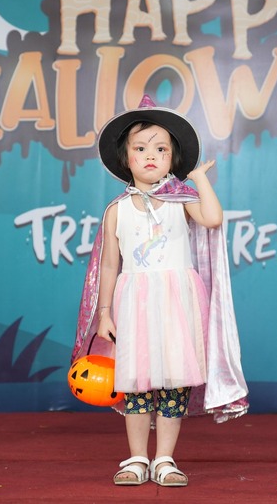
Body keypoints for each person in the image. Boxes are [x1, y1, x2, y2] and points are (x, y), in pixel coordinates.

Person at [73, 94, 248, 487]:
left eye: (161, 149)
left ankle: (165, 459)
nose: (150, 155)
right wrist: (104, 313)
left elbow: (213, 218)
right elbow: (110, 264)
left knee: (174, 381)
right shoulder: (117, 209)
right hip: (134, 303)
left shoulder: (181, 201)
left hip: (177, 302)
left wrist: (198, 179)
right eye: (140, 148)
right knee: (135, 383)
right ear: (126, 159)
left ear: (173, 159)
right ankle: (137, 458)